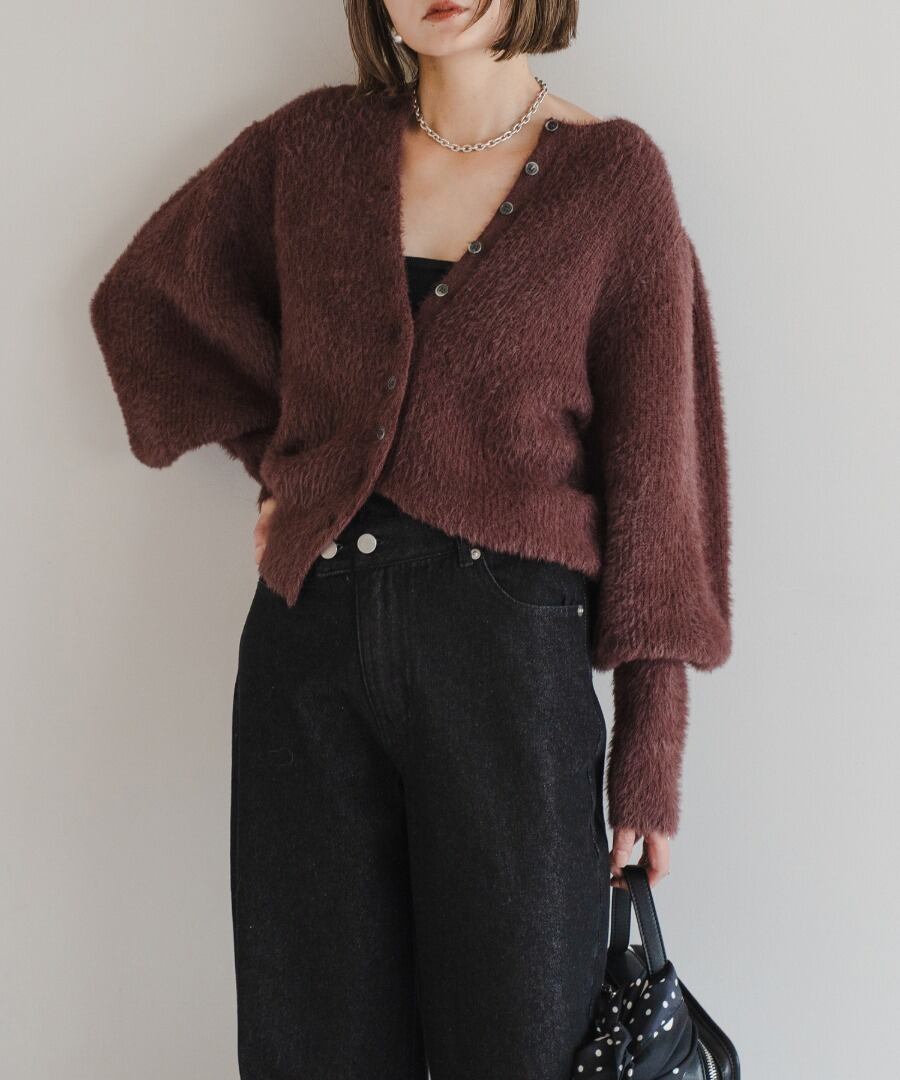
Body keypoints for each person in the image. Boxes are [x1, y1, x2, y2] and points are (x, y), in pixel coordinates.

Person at [89, 2, 732, 1077]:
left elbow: (660, 484)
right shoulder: (312, 149)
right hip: (310, 664)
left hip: (509, 677)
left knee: (524, 1049)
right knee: (313, 1052)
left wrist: (650, 751)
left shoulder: (614, 180)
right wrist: (293, 468)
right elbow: (149, 307)